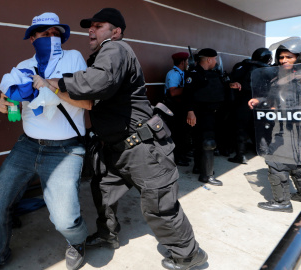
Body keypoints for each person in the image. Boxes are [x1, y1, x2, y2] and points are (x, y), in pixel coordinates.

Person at [44, 7, 207, 270]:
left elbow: (98, 83)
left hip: (142, 149)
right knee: (104, 192)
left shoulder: (116, 49)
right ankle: (107, 236)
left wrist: (55, 82)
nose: (91, 30)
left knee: (159, 205)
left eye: (98, 25)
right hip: (116, 148)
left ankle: (189, 255)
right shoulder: (102, 57)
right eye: (90, 26)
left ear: (116, 31)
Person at [0, 12, 92, 270]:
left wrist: (51, 85)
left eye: (55, 33)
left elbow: (87, 102)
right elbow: (11, 105)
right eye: (43, 33)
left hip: (65, 149)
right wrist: (4, 105)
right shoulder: (22, 67)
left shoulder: (73, 58)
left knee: (64, 220)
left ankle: (78, 242)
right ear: (32, 38)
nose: (50, 37)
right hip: (27, 145)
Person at [248, 37, 301, 212]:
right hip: (284, 127)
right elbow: (275, 99)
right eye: (282, 57)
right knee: (296, 163)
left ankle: (282, 202)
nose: (284, 60)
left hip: (297, 129)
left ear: (300, 57)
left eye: (289, 57)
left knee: (276, 162)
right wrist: (259, 100)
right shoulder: (283, 76)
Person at [183, 48, 225, 186]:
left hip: (209, 113)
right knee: (207, 142)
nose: (216, 61)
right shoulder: (194, 74)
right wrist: (190, 111)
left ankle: (198, 167)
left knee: (199, 141)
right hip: (201, 114)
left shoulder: (210, 74)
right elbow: (188, 94)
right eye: (215, 59)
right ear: (209, 59)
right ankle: (207, 175)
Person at [227, 48, 272, 164]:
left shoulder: (243, 66)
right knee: (259, 126)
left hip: (243, 101)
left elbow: (231, 78)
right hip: (260, 102)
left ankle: (240, 154)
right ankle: (263, 150)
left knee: (241, 128)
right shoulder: (267, 70)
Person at [164, 52, 191, 166]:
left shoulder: (182, 73)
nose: (188, 64)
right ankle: (177, 157)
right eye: (187, 61)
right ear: (183, 62)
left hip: (180, 106)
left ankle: (182, 154)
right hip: (173, 107)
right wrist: (190, 88)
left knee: (183, 132)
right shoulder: (174, 74)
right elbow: (173, 92)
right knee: (177, 133)